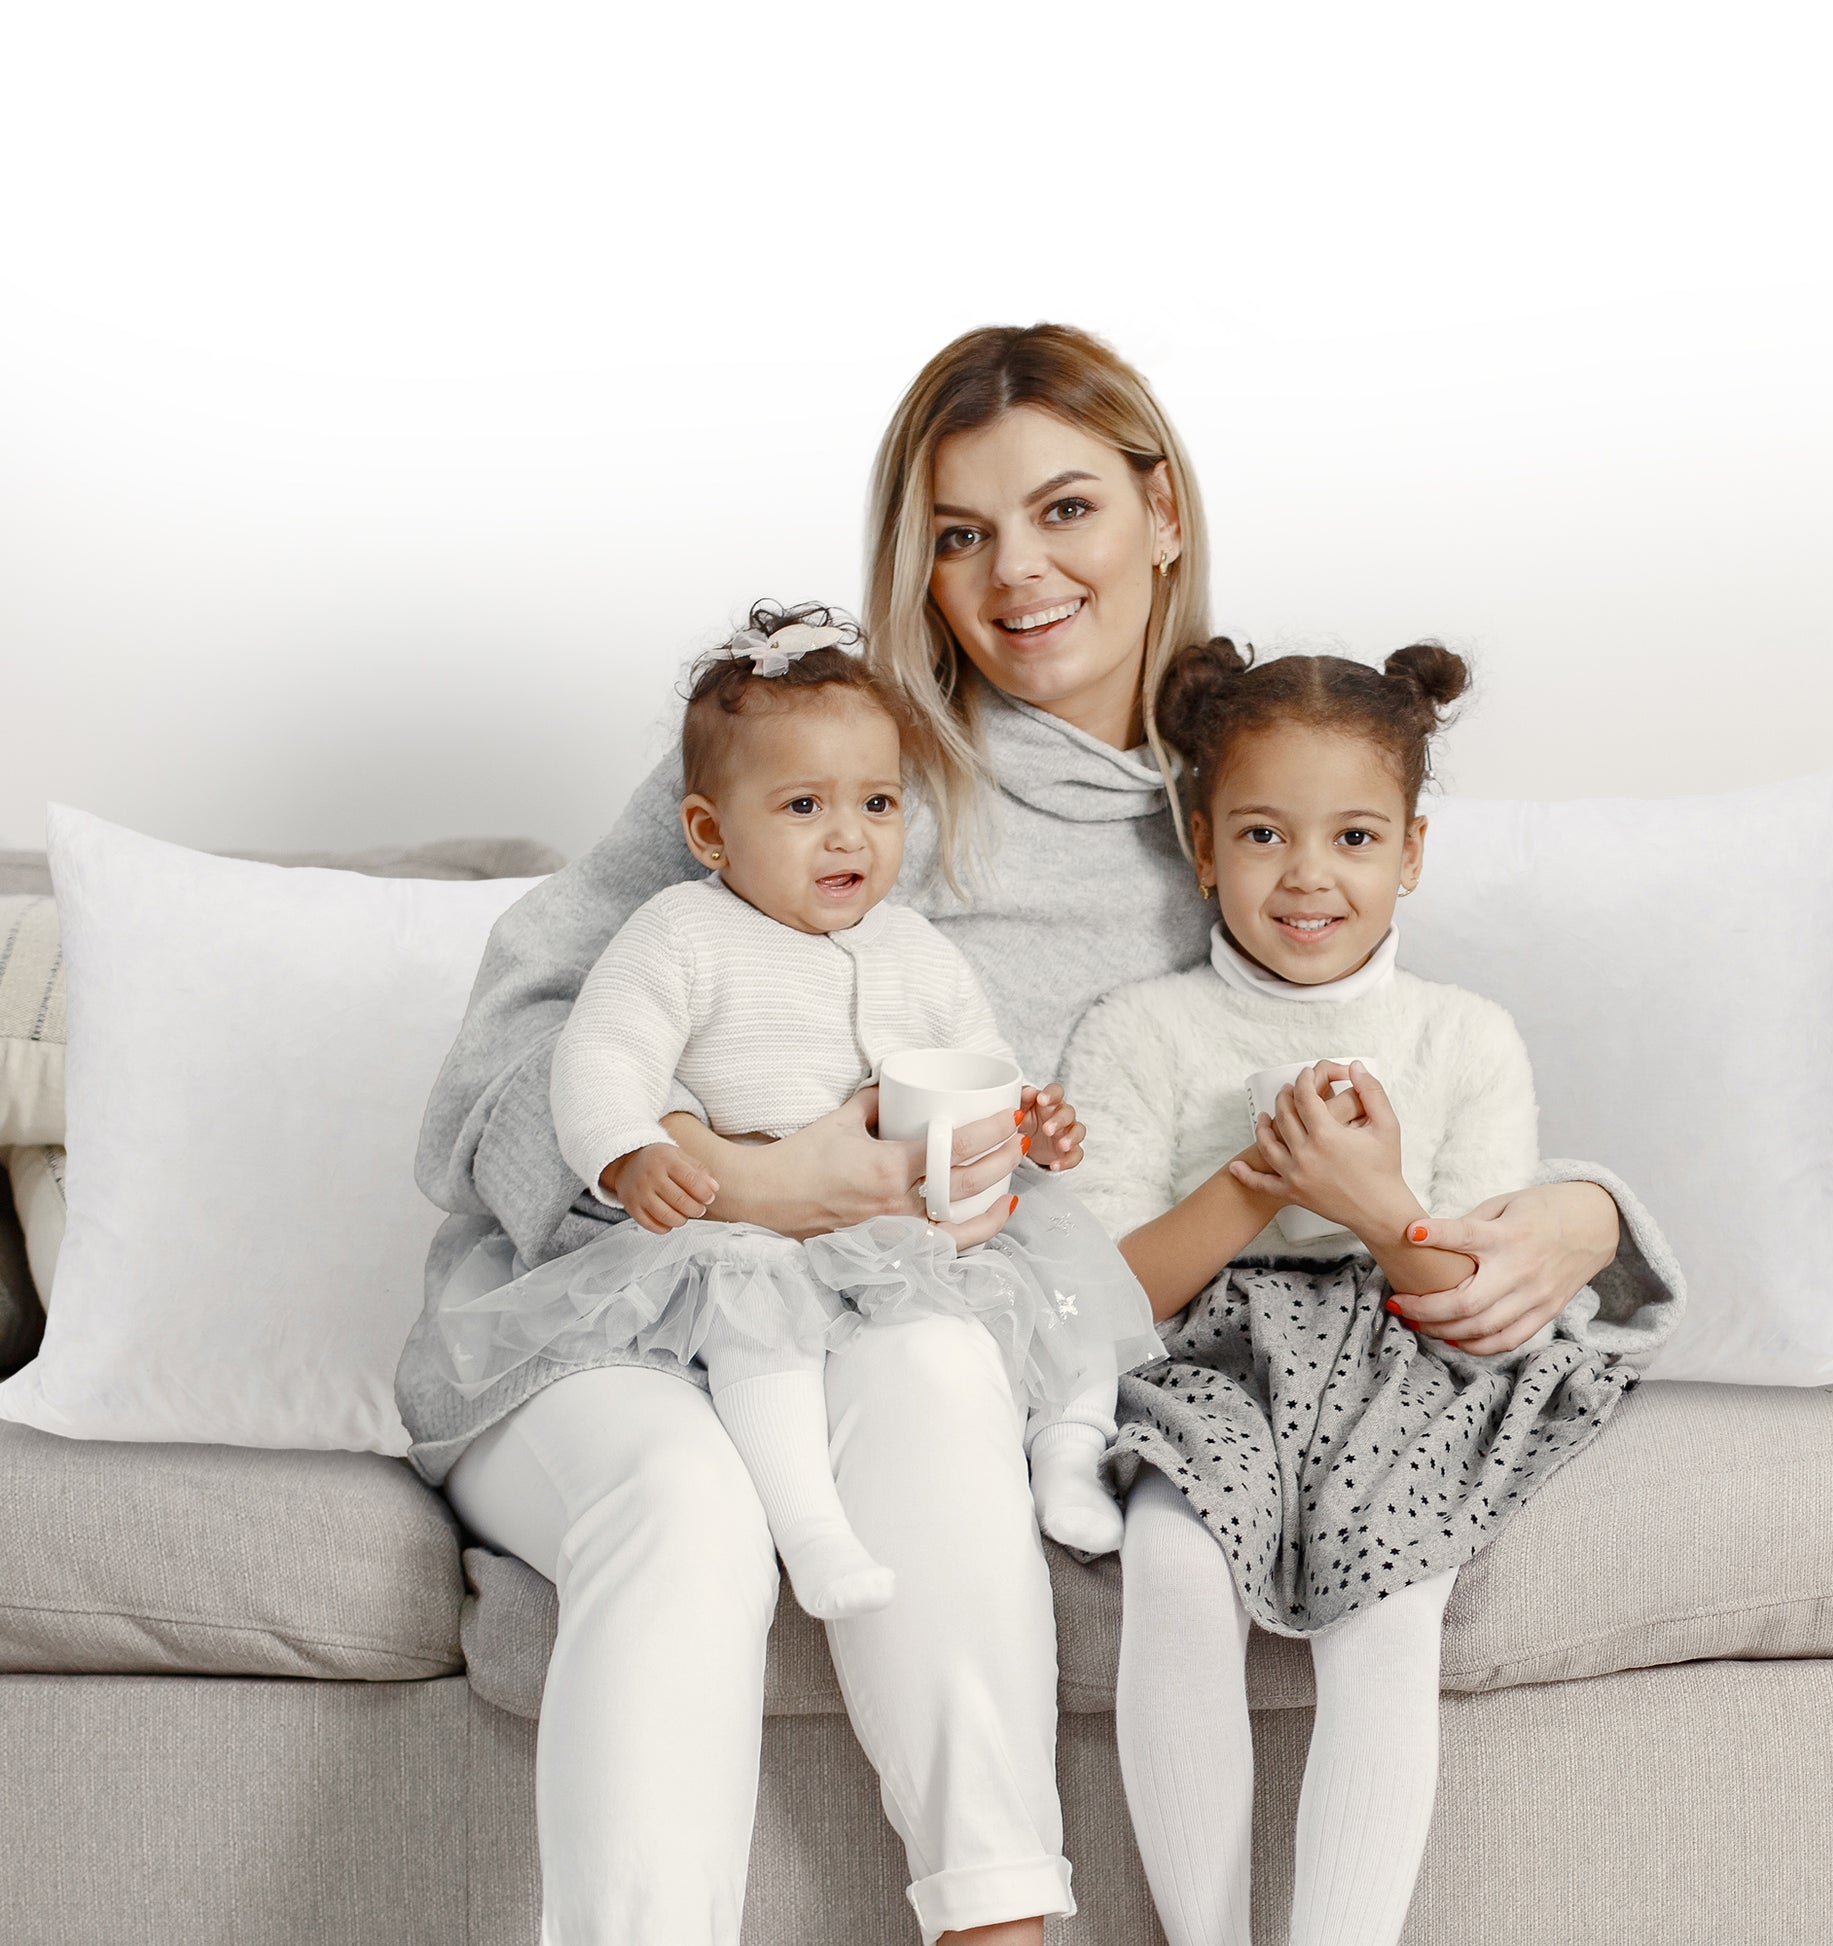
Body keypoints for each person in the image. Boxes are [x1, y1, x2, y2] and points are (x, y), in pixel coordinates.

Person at [395, 321, 1669, 1946]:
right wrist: (752, 1178)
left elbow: (1380, 1054)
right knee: (686, 1503)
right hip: (613, 1314)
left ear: (1162, 512)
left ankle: (998, 1923)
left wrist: (1583, 1211)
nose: (1014, 574)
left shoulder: (1252, 806)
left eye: (1064, 510)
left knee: (933, 1377)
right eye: (958, 534)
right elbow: (491, 1084)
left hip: (901, 1326)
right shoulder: (821, 749)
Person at [1059, 636, 1685, 1946]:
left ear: (1409, 852)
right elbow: (1105, 1290)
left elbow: (1468, 1297)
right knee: (1174, 1561)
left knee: (1391, 1603)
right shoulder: (1137, 1028)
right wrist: (1253, 1180)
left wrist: (1368, 1196)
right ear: (1200, 845)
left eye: (1351, 836)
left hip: (1406, 1349)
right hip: (1207, 1359)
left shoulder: (1462, 1036)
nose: (1307, 875)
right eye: (1262, 833)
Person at [419, 597, 1157, 1623]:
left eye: (878, 803)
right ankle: (809, 1527)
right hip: (752, 1235)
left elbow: (978, 1058)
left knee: (1058, 1284)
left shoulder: (916, 949)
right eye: (804, 806)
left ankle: (1067, 1453)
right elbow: (602, 1056)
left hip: (896, 1239)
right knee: (756, 1328)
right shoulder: (680, 933)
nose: (849, 835)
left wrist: (1026, 1117)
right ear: (708, 832)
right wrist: (626, 1152)